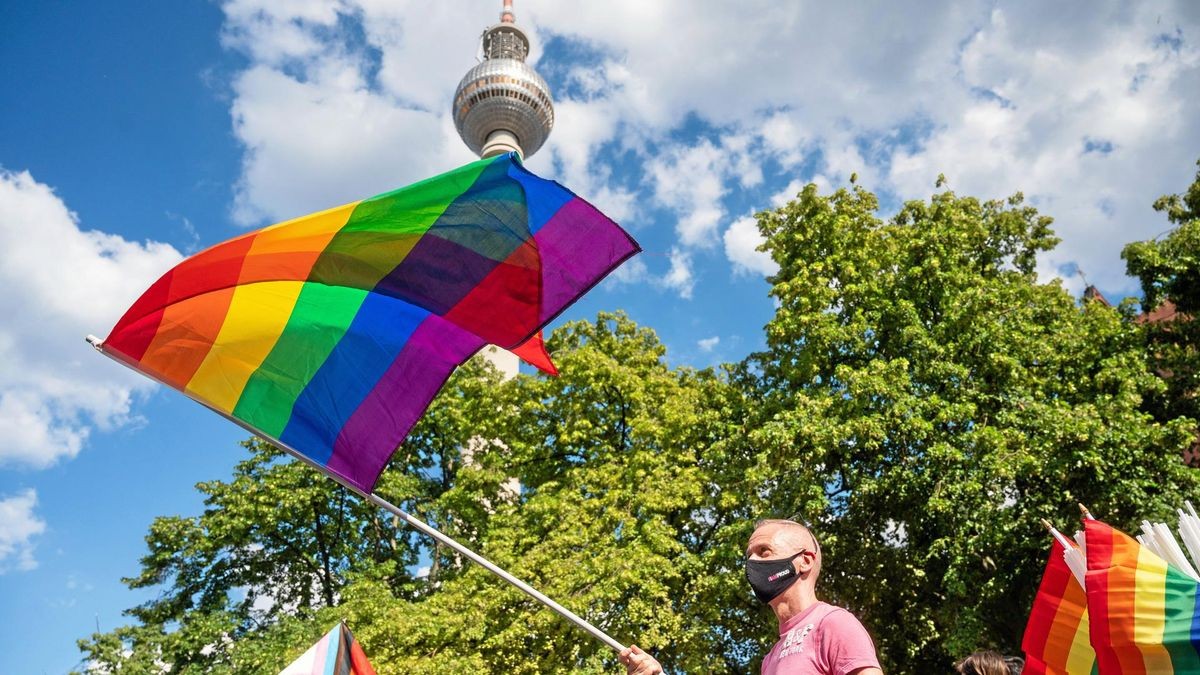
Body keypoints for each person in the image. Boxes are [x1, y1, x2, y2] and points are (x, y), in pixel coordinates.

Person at [619, 519, 883, 675]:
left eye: (764, 551)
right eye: (749, 556)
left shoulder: (834, 623)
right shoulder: (771, 657)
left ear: (804, 561)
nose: (752, 563)